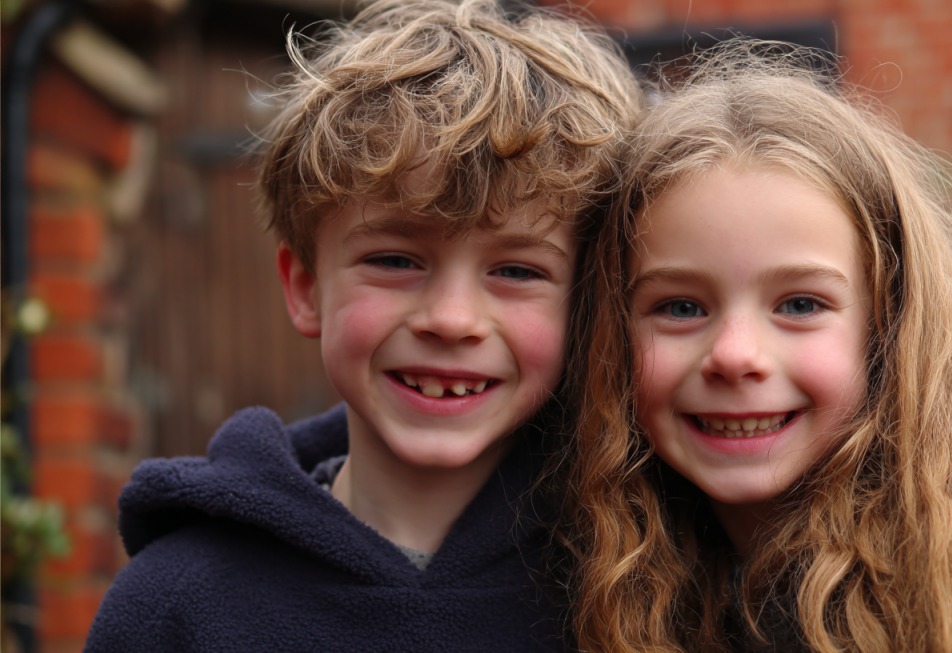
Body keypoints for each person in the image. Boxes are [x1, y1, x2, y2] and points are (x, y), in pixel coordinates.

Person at [559, 41, 952, 653]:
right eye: (681, 307)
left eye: (800, 305)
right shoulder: (602, 570)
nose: (737, 355)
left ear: (893, 326)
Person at [84, 1, 641, 650]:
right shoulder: (173, 604)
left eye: (516, 271)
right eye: (395, 260)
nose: (451, 319)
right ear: (305, 287)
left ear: (590, 301)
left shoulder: (639, 579)